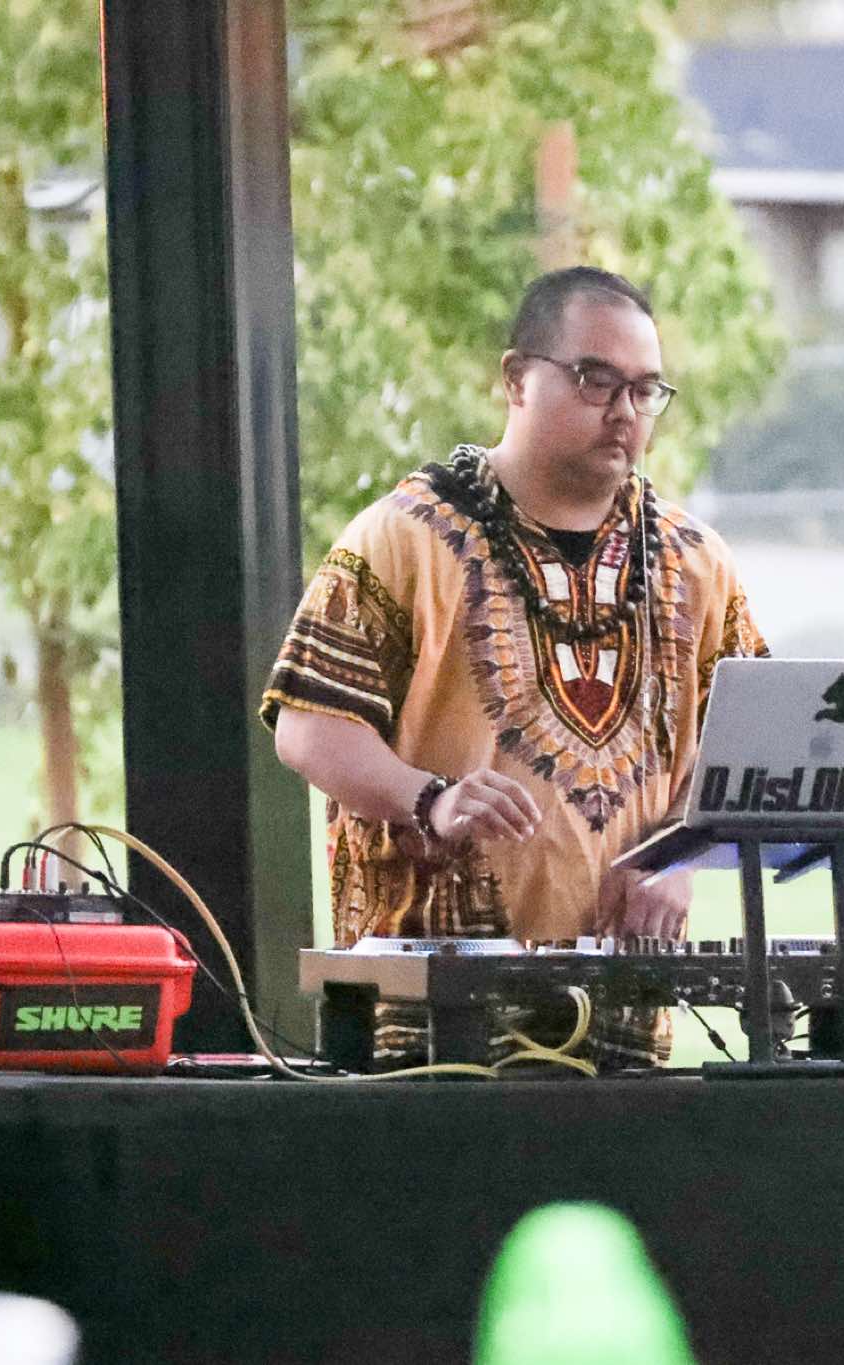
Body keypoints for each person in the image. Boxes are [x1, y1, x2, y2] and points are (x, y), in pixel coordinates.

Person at [261, 266, 767, 1068]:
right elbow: (308, 728)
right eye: (596, 379)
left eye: (645, 390)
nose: (624, 411)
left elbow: (747, 742)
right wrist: (430, 799)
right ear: (516, 379)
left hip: (624, 1016)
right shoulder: (402, 537)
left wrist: (679, 858)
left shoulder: (697, 561)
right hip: (429, 1025)